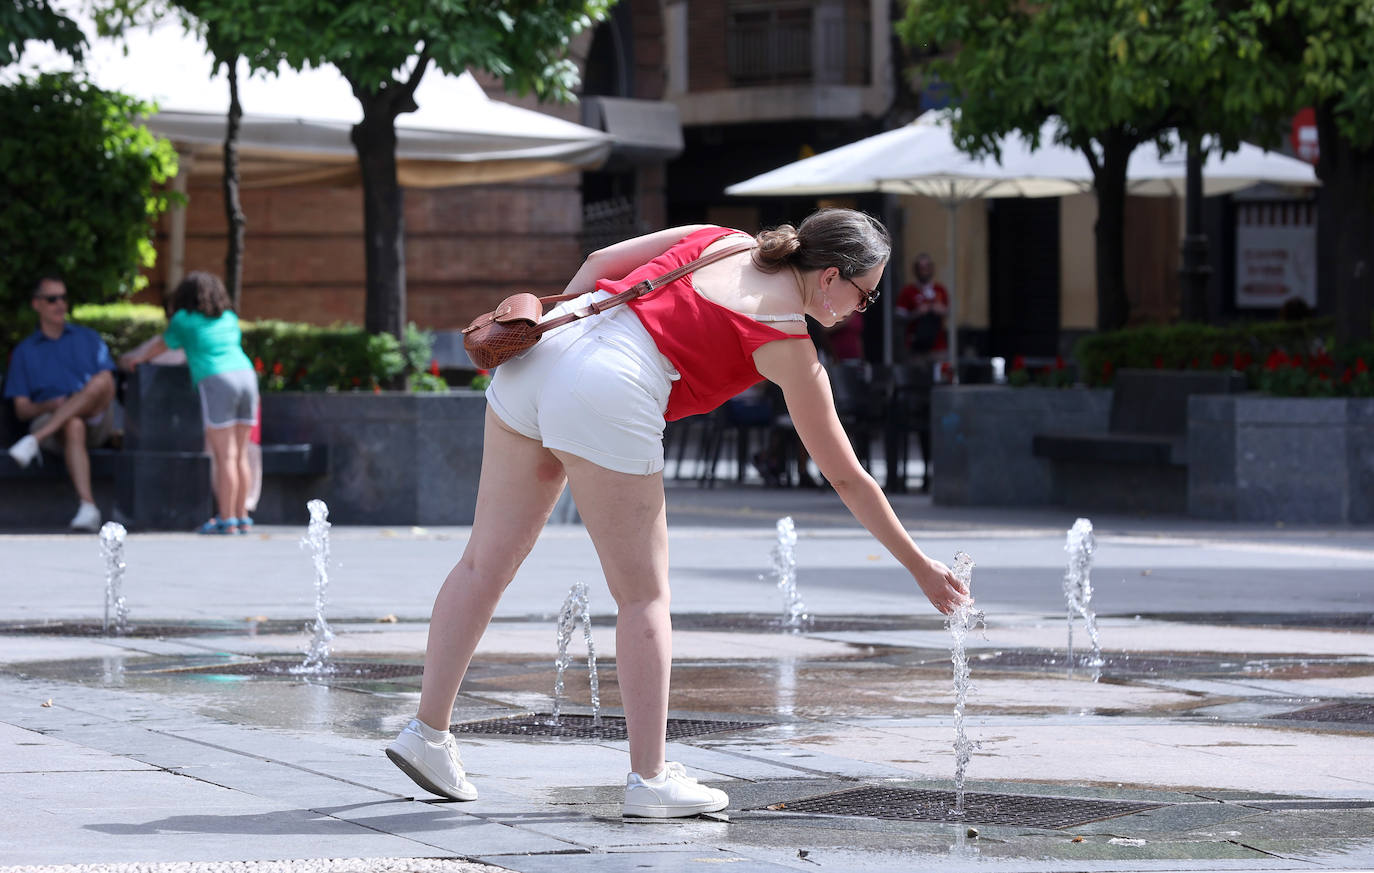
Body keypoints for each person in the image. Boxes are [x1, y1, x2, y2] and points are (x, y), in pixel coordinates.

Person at [385, 209, 972, 819]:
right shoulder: (788, 342)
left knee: (484, 563)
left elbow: (594, 267)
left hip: (543, 349)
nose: (861, 308)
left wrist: (574, 367)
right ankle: (649, 779)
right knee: (644, 597)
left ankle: (426, 734)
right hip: (610, 386)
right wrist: (919, 565)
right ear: (829, 277)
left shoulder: (723, 240)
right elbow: (846, 476)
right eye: (865, 293)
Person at [119, 272, 259, 535]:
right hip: (247, 377)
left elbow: (160, 346)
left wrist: (135, 359)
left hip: (218, 379)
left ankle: (226, 520)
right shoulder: (229, 318)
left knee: (225, 455)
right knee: (241, 454)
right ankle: (242, 518)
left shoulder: (184, 320)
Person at [6, 276, 118, 531]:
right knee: (73, 423)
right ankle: (88, 506)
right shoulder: (25, 351)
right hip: (54, 423)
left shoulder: (88, 338)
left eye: (63, 298)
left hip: (97, 418)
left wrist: (73, 402)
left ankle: (33, 441)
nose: (60, 304)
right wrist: (50, 405)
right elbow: (22, 409)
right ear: (37, 304)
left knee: (101, 380)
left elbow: (107, 387)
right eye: (52, 299)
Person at [895, 252, 949, 359]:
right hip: (915, 347)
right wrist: (917, 313)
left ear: (932, 269)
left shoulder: (940, 290)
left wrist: (939, 309)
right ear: (916, 270)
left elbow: (947, 311)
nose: (924, 270)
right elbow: (898, 316)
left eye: (927, 267)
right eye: (921, 267)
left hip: (938, 347)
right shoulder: (908, 291)